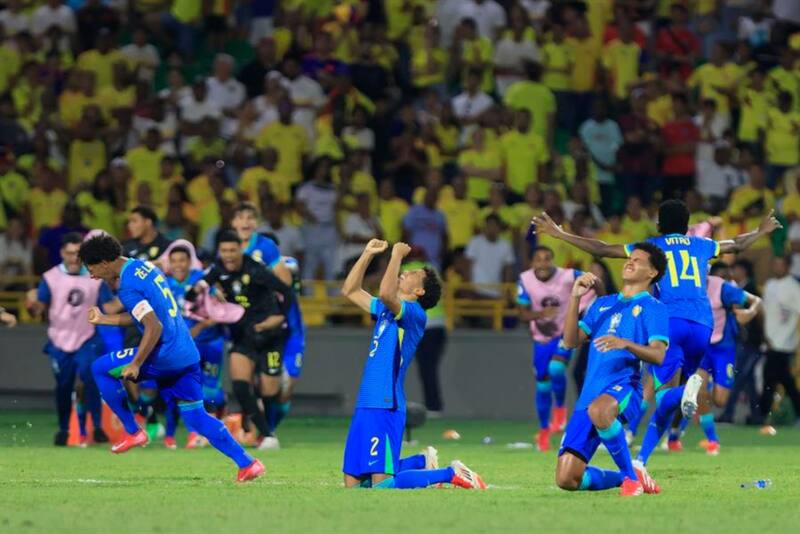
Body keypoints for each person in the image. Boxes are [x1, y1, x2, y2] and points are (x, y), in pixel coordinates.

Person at [532, 199, 781, 468]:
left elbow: (602, 249)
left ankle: (682, 396)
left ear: (659, 224)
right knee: (671, 396)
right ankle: (643, 460)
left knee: (663, 395)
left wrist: (560, 234)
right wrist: (761, 231)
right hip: (702, 324)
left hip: (670, 321)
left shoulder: (651, 248)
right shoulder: (702, 245)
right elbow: (738, 244)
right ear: (686, 225)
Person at [78, 234, 263, 482]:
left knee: (100, 368)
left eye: (92, 269)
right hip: (187, 352)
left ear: (104, 262)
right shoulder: (143, 267)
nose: (92, 276)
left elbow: (153, 327)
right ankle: (247, 464)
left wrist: (136, 363)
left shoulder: (127, 286)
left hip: (166, 354)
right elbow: (147, 316)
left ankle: (133, 431)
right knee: (197, 417)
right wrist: (104, 319)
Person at [340, 238, 485, 489]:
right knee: (354, 484)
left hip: (386, 402)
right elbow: (350, 291)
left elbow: (386, 293)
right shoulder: (384, 310)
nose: (406, 272)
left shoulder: (415, 314)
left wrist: (396, 256)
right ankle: (421, 461)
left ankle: (451, 473)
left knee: (382, 484)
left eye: (414, 274)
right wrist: (367, 254)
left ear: (420, 291)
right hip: (366, 401)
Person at [556, 243, 668, 497]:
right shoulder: (602, 304)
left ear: (652, 272)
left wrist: (626, 344)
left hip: (625, 386)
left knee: (600, 410)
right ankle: (628, 475)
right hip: (590, 394)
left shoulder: (654, 308)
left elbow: (658, 355)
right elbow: (570, 341)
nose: (629, 262)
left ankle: (630, 479)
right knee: (567, 479)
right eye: (629, 258)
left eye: (638, 260)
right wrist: (575, 298)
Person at [196, 230, 293, 450]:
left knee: (269, 391)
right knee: (240, 386)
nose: (228, 255)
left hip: (269, 335)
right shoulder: (218, 269)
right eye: (224, 251)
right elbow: (199, 287)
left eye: (232, 250)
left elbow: (286, 292)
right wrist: (199, 294)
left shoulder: (256, 269)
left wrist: (279, 318)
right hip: (242, 335)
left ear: (240, 250)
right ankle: (267, 435)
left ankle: (263, 424)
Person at [26, 233, 112, 447]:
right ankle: (64, 429)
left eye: (77, 253)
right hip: (59, 340)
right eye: (70, 253)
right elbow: (40, 307)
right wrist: (33, 305)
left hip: (87, 337)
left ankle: (97, 426)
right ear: (62, 253)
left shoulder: (95, 277)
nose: (74, 258)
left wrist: (134, 300)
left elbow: (109, 306)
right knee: (63, 386)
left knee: (90, 377)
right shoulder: (50, 277)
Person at [517, 246, 596, 451]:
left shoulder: (568, 275)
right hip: (541, 338)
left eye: (547, 259)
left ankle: (560, 410)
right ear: (532, 263)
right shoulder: (525, 279)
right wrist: (541, 314)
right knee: (543, 385)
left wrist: (600, 302)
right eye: (538, 259)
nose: (543, 263)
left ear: (553, 261)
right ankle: (544, 431)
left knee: (556, 368)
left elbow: (594, 281)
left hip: (564, 334)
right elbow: (522, 314)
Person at [164, 242, 228, 449]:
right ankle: (190, 434)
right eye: (174, 261)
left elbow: (219, 305)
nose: (178, 265)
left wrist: (216, 306)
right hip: (184, 346)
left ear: (190, 262)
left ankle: (220, 408)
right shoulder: (164, 284)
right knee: (184, 389)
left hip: (211, 342)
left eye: (182, 260)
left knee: (210, 393)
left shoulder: (202, 280)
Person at [694, 262, 761, 455]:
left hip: (723, 348)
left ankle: (708, 390)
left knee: (720, 401)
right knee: (699, 391)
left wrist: (750, 312)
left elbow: (756, 300)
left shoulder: (722, 287)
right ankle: (712, 440)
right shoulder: (686, 290)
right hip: (701, 347)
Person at [759, 255, 800, 432]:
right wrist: (765, 336)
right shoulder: (770, 285)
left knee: (772, 380)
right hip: (770, 341)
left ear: (788, 266)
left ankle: (762, 416)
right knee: (781, 380)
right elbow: (765, 312)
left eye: (780, 264)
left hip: (784, 343)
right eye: (775, 264)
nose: (777, 267)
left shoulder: (794, 287)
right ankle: (764, 416)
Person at [230, 201, 292, 285]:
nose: (245, 222)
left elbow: (285, 280)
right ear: (233, 222)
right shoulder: (226, 246)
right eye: (240, 217)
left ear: (256, 223)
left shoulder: (267, 246)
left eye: (250, 218)